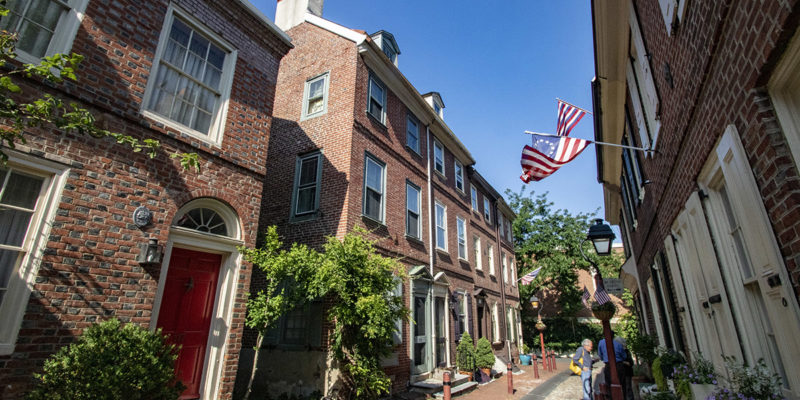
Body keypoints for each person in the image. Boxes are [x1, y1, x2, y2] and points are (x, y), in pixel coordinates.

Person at [598, 334, 628, 399]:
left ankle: (611, 397)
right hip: (618, 365)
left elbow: (600, 354)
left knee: (609, 385)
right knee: (621, 384)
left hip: (608, 365)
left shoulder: (601, 343)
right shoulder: (618, 344)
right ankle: (622, 397)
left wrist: (604, 358)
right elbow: (624, 356)